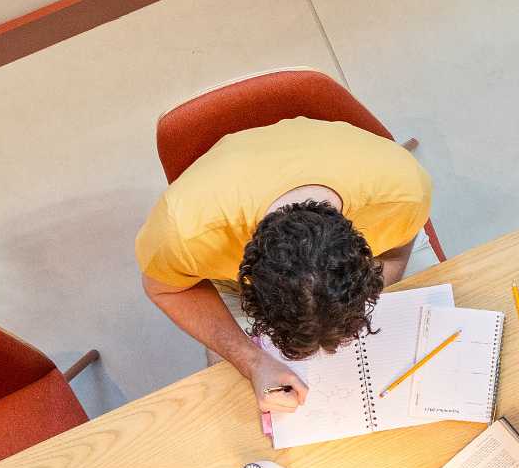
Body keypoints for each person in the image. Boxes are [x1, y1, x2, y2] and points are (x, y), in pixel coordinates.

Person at [136, 116, 432, 420]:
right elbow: (165, 289)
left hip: (374, 229)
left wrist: (377, 292)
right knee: (238, 408)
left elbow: (399, 246)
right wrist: (252, 362)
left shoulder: (403, 193)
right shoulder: (184, 232)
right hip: (223, 255)